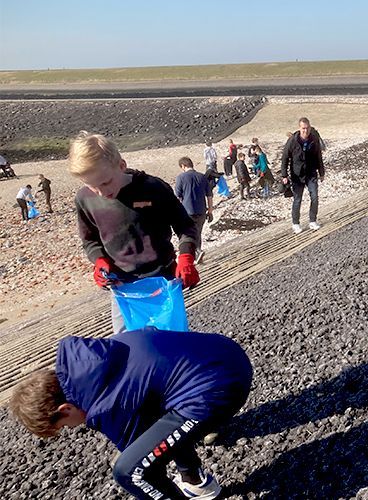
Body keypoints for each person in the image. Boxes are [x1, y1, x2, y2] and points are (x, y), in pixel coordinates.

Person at [9, 329, 253, 500]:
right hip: (228, 355)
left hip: (221, 389)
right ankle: (195, 482)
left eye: (64, 426)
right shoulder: (95, 361)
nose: (72, 429)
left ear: (65, 409)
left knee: (129, 471)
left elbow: (146, 463)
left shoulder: (104, 405)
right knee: (160, 425)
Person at [68, 131, 200, 334]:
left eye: (105, 182)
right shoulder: (85, 199)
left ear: (121, 165)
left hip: (163, 278)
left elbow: (185, 226)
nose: (102, 192)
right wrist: (100, 262)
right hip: (122, 284)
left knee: (173, 339)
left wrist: (186, 257)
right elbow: (90, 241)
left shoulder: (153, 188)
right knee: (127, 344)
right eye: (92, 186)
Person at [280, 117, 326, 234]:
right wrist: (284, 175)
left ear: (310, 128)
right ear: (299, 128)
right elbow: (285, 158)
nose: (305, 131)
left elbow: (318, 156)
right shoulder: (292, 141)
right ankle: (295, 223)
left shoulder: (314, 139)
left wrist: (321, 172)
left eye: (307, 128)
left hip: (311, 173)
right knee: (297, 199)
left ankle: (313, 220)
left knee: (314, 196)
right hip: (297, 174)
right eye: (303, 128)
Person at [175, 157, 214, 263]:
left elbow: (177, 197)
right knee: (198, 233)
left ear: (183, 166)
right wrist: (210, 211)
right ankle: (197, 252)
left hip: (187, 211)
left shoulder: (181, 178)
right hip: (201, 211)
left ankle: (192, 256)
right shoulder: (202, 177)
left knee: (187, 235)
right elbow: (209, 195)